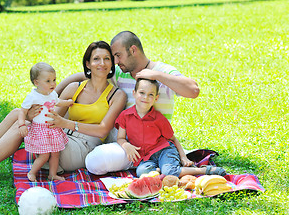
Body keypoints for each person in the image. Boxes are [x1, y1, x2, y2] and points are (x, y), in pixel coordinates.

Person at [0, 41, 127, 186]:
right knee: (19, 115)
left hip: (81, 147)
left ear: (112, 63)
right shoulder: (74, 88)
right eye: (96, 59)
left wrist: (66, 124)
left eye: (106, 59)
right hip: (59, 137)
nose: (101, 63)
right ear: (88, 63)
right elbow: (48, 117)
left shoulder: (116, 95)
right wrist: (32, 115)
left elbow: (103, 131)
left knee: (26, 127)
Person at [55, 31, 200, 175]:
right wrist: (52, 95)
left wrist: (156, 76)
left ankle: (157, 163)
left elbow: (193, 91)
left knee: (95, 161)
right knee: (69, 102)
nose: (116, 62)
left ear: (133, 50)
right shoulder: (121, 72)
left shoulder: (163, 71)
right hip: (120, 138)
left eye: (118, 55)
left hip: (146, 144)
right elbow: (87, 76)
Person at [116, 78, 226, 177]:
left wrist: (183, 157)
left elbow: (173, 139)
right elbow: (120, 138)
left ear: (156, 98)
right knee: (142, 173)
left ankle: (203, 171)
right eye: (142, 93)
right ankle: (164, 170)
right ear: (134, 93)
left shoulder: (158, 118)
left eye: (151, 95)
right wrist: (126, 145)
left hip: (164, 150)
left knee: (169, 173)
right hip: (145, 157)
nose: (145, 97)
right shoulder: (125, 116)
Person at [19, 62, 74, 181]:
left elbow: (58, 102)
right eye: (48, 81)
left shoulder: (52, 94)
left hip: (52, 128)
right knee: (44, 155)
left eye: (54, 80)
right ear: (36, 83)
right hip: (40, 129)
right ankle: (32, 172)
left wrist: (68, 102)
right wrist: (22, 124)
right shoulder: (33, 96)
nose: (53, 83)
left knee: (55, 153)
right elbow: (22, 111)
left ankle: (52, 174)